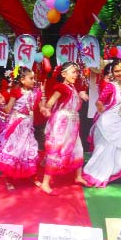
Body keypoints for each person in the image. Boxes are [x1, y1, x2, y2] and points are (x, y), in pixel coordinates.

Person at [83, 59, 121, 190]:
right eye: (116, 71)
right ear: (112, 72)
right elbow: (99, 101)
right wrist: (100, 107)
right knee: (104, 151)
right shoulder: (110, 86)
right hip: (106, 124)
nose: (120, 73)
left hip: (119, 123)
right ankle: (99, 176)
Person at [0, 66, 43, 190]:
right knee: (14, 151)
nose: (34, 80)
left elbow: (40, 107)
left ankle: (33, 176)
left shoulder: (35, 92)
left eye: (34, 78)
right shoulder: (15, 92)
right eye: (31, 78)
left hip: (28, 126)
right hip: (16, 127)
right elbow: (7, 109)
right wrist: (1, 101)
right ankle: (8, 179)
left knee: (30, 150)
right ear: (22, 80)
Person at [39, 61, 89, 195]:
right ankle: (45, 183)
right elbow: (50, 103)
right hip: (62, 124)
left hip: (72, 124)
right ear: (64, 74)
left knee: (78, 148)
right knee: (56, 150)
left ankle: (78, 176)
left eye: (77, 72)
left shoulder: (73, 88)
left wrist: (80, 95)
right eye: (73, 72)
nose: (76, 75)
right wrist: (46, 109)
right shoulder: (61, 87)